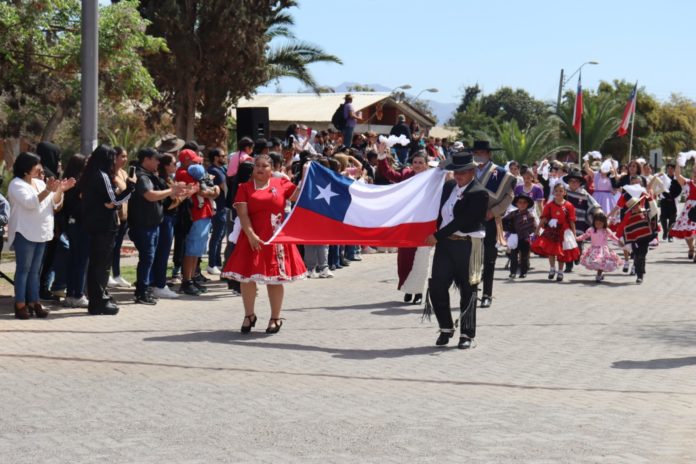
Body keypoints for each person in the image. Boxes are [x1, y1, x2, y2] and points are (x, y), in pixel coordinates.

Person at [221, 155, 307, 334]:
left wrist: (306, 174)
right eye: (257, 165)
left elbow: (299, 196)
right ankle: (249, 315)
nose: (260, 169)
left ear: (272, 168)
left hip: (275, 238)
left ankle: (275, 317)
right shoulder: (244, 188)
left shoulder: (281, 183)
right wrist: (251, 234)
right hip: (251, 236)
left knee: (274, 279)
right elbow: (242, 214)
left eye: (264, 166)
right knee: (247, 277)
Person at [424, 151, 488, 350]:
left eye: (462, 172)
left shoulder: (479, 193)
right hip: (445, 245)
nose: (458, 176)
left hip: (467, 244)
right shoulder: (449, 187)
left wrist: (437, 235)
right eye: (456, 172)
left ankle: (467, 333)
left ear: (471, 172)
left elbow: (463, 221)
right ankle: (445, 326)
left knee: (468, 290)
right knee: (437, 286)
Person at [7, 152, 75, 319]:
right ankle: (20, 304)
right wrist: (48, 190)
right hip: (25, 232)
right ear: (26, 167)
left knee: (35, 271)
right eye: (36, 164)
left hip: (41, 232)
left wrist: (60, 190)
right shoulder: (16, 185)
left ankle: (34, 302)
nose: (40, 168)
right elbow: (31, 203)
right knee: (24, 269)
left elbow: (55, 204)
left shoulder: (39, 182)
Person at [81, 145, 135, 315]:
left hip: (96, 225)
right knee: (101, 265)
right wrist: (130, 188)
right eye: (112, 158)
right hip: (104, 226)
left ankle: (97, 299)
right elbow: (114, 201)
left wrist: (113, 200)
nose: (114, 162)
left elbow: (109, 201)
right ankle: (99, 301)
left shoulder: (90, 174)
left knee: (97, 264)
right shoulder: (102, 175)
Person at [128, 148, 186, 305]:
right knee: (147, 258)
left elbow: (161, 195)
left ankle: (145, 289)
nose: (158, 162)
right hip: (143, 225)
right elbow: (150, 195)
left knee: (149, 258)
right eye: (156, 159)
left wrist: (176, 191)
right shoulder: (141, 176)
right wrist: (171, 190)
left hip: (152, 224)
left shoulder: (150, 176)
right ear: (146, 159)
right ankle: (142, 291)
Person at [377, 147, 432, 304]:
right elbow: (389, 174)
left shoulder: (432, 178)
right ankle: (408, 289)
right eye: (415, 162)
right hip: (407, 224)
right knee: (404, 260)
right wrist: (382, 158)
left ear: (427, 164)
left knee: (421, 259)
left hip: (424, 224)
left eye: (421, 162)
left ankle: (419, 291)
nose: (417, 165)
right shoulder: (407, 175)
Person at [472, 140, 515, 307]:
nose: (479, 156)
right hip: (471, 219)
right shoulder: (468, 170)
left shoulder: (502, 173)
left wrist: (494, 212)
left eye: (482, 152)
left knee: (489, 258)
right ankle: (472, 291)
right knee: (472, 258)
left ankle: (487, 294)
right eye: (476, 153)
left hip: (490, 219)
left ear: (489, 154)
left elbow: (509, 197)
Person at [175, 150, 219, 295]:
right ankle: (186, 281)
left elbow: (210, 188)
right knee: (192, 249)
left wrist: (213, 190)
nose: (197, 163)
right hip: (195, 215)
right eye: (193, 161)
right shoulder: (183, 173)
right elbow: (202, 191)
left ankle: (192, 278)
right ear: (186, 160)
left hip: (203, 213)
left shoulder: (192, 171)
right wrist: (213, 191)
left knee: (197, 250)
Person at [150, 154, 186, 299]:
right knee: (162, 253)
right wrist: (183, 196)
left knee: (162, 253)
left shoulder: (168, 179)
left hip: (169, 219)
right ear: (166, 165)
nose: (175, 165)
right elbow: (168, 204)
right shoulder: (162, 180)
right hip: (165, 219)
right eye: (173, 163)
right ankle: (158, 284)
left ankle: (157, 283)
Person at [611, 179, 658, 283]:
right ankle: (639, 273)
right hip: (634, 239)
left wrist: (650, 199)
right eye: (633, 206)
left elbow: (654, 211)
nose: (635, 207)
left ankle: (640, 272)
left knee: (642, 255)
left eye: (636, 205)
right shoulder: (628, 216)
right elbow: (621, 227)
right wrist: (619, 238)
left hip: (645, 238)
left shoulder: (645, 213)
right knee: (637, 255)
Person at [531, 183, 580, 282]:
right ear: (553, 192)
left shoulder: (569, 205)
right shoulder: (549, 205)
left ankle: (560, 272)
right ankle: (552, 269)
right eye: (556, 191)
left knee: (561, 253)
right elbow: (544, 218)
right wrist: (537, 230)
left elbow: (571, 220)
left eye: (561, 191)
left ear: (564, 193)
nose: (558, 193)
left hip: (564, 231)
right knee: (551, 252)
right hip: (551, 231)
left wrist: (574, 234)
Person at [60, 154, 90, 308]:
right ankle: (77, 294)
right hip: (80, 224)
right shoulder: (78, 182)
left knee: (74, 260)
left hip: (71, 223)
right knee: (80, 261)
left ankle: (71, 294)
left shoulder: (67, 181)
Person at [563, 168, 600, 273]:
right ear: (568, 182)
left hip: (580, 222)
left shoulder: (584, 194)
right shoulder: (564, 192)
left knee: (578, 242)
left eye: (576, 181)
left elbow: (594, 205)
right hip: (566, 223)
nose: (574, 183)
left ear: (580, 183)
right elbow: (556, 201)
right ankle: (568, 265)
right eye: (571, 181)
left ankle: (578, 255)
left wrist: (598, 213)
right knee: (567, 244)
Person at [108, 146, 133, 289]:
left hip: (124, 217)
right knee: (110, 248)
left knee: (117, 247)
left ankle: (117, 274)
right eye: (122, 156)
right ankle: (108, 275)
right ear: (114, 157)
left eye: (125, 156)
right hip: (113, 217)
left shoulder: (124, 173)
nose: (125, 159)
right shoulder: (109, 175)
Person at [576, 211, 624, 282]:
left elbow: (613, 237)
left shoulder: (606, 230)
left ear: (604, 223)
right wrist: (577, 238)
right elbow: (585, 236)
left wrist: (619, 242)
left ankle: (599, 275)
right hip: (593, 249)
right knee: (596, 262)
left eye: (600, 223)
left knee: (601, 262)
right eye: (596, 223)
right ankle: (600, 275)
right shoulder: (591, 230)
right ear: (593, 222)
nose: (598, 225)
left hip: (603, 250)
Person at [504, 192, 537, 279]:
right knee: (513, 256)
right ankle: (513, 272)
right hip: (514, 238)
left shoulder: (530, 215)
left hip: (525, 238)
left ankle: (523, 272)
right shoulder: (512, 214)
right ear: (516, 203)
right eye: (520, 202)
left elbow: (534, 227)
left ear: (528, 204)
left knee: (524, 256)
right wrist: (509, 228)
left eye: (524, 202)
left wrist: (530, 233)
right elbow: (504, 221)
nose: (522, 204)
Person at [668, 162, 696, 260]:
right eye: (694, 172)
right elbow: (677, 175)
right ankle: (691, 248)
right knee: (687, 231)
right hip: (689, 211)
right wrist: (678, 163)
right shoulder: (687, 183)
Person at [206, 148, 228, 275]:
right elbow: (223, 188)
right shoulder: (213, 171)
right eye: (222, 156)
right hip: (218, 208)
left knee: (220, 237)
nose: (224, 158)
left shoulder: (221, 169)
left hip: (223, 207)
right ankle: (211, 264)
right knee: (216, 236)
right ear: (215, 157)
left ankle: (217, 262)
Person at [659, 163, 682, 242]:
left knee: (673, 218)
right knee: (663, 217)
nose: (670, 170)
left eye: (672, 168)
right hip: (664, 200)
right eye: (668, 168)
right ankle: (665, 231)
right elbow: (660, 188)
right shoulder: (663, 178)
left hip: (673, 200)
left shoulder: (677, 179)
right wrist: (665, 196)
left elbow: (679, 190)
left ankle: (670, 235)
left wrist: (672, 197)